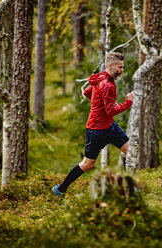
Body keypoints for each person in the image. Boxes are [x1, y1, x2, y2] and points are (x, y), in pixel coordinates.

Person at [52, 52, 134, 197]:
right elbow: (110, 111)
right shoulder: (107, 85)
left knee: (130, 151)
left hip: (110, 126)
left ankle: (128, 191)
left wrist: (100, 104)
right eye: (119, 67)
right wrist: (128, 102)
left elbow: (87, 92)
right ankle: (60, 190)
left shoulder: (101, 77)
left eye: (122, 67)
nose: (122, 70)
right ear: (110, 66)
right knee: (87, 164)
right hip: (97, 131)